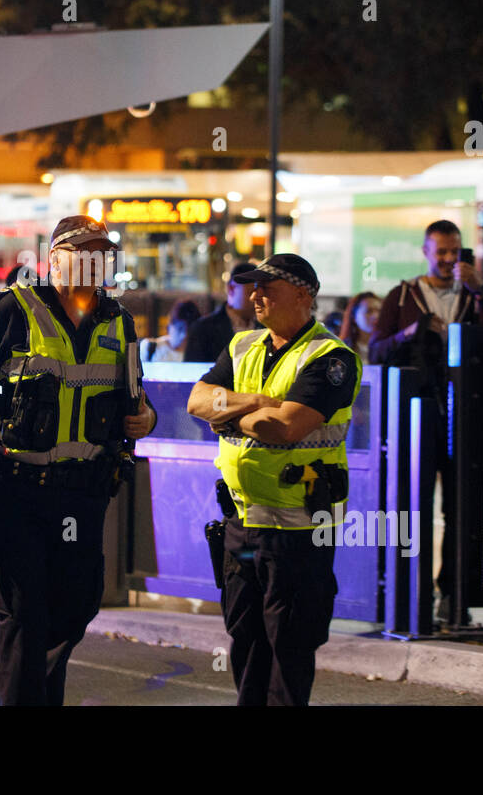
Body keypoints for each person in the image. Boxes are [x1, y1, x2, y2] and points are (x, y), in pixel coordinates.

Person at [0, 215, 157, 705]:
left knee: (70, 613)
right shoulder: (12, 311)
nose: (95, 261)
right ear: (53, 260)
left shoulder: (119, 321)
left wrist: (146, 419)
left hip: (84, 496)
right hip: (18, 492)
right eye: (84, 251)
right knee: (25, 615)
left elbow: (133, 399)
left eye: (102, 252)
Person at [186, 254, 360, 705]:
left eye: (268, 287)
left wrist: (227, 418)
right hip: (242, 524)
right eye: (252, 287)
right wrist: (256, 401)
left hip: (297, 530)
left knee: (290, 645)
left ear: (303, 295)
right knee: (245, 637)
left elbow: (285, 428)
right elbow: (196, 402)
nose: (255, 295)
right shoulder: (242, 344)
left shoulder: (331, 358)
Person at [368, 219, 483, 624]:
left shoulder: (473, 296)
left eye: (454, 251)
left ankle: (453, 597)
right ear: (425, 251)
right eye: (440, 251)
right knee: (416, 506)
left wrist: (480, 291)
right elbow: (375, 352)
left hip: (463, 414)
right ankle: (413, 597)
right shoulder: (404, 294)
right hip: (416, 417)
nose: (447, 260)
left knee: (462, 508)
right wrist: (412, 331)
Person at [183, 262, 259, 363]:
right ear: (231, 289)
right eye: (250, 293)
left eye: (260, 294)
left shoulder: (266, 329)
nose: (256, 299)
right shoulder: (203, 329)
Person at [337, 291, 381, 358]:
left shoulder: (387, 347)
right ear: (354, 316)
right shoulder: (342, 348)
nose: (376, 316)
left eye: (379, 311)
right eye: (369, 311)